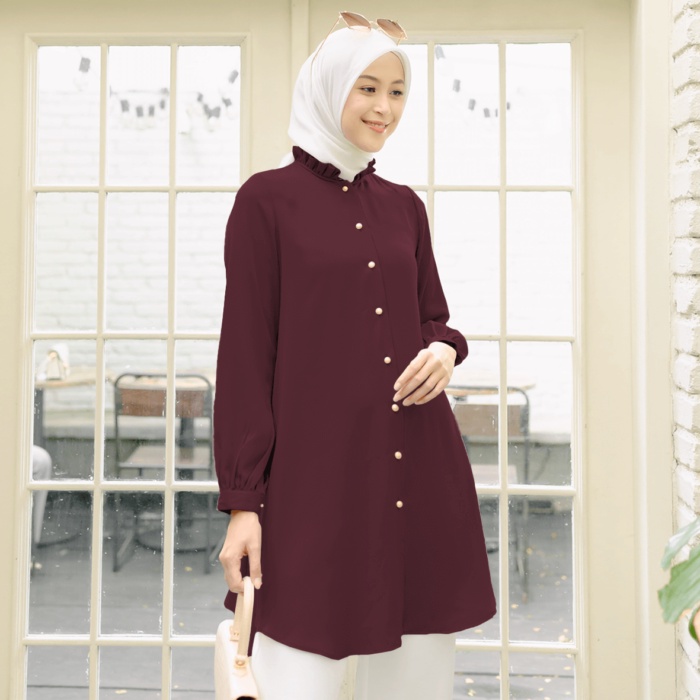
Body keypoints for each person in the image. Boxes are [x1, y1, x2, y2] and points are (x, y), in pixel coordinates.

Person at [213, 13, 497, 699]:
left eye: (397, 92)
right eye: (367, 88)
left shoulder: (403, 207)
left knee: (418, 680)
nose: (384, 108)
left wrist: (443, 349)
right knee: (294, 674)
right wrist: (244, 503)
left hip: (418, 471)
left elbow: (434, 318)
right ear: (328, 88)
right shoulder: (265, 202)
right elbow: (246, 358)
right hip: (314, 487)